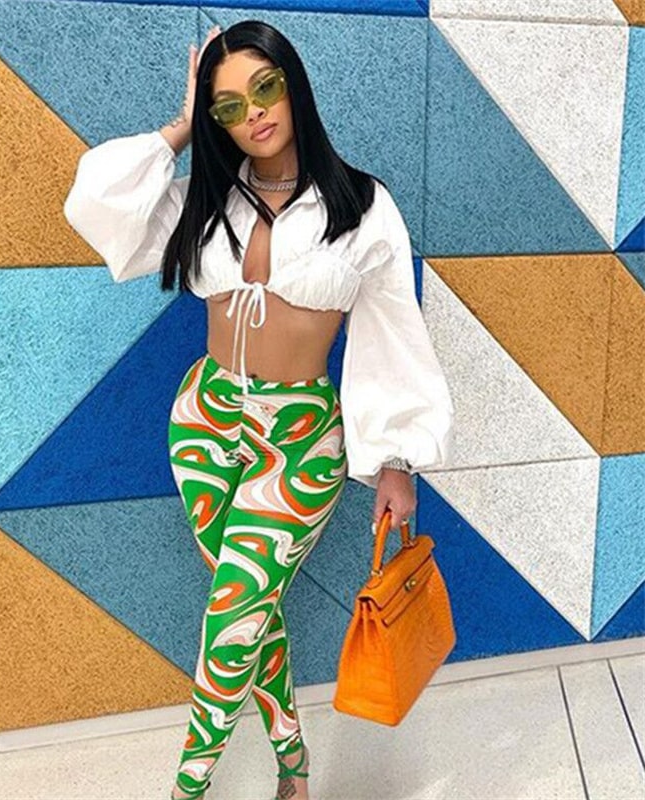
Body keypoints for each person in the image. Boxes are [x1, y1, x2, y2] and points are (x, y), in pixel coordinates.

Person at [63, 19, 454, 800]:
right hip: (205, 420)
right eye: (229, 105)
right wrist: (180, 128)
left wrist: (396, 460)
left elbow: (392, 330)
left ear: (293, 84)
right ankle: (293, 768)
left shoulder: (362, 204)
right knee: (250, 612)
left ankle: (187, 788)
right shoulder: (205, 199)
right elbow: (95, 202)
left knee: (234, 613)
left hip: (299, 440)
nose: (255, 113)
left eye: (265, 87)